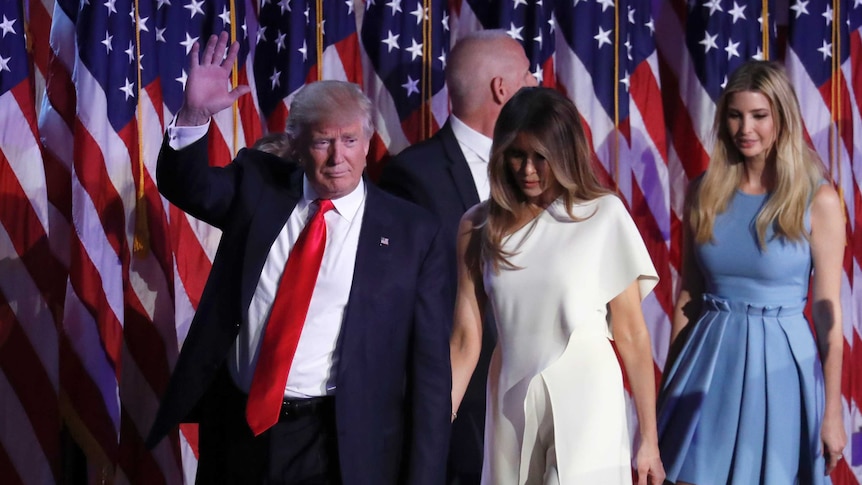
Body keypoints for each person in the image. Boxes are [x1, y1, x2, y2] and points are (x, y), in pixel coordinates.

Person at [146, 32, 452, 484]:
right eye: (322, 142)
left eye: (349, 141)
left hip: (335, 439)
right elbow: (186, 186)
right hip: (238, 426)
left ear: (367, 143)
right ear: (296, 145)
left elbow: (429, 374)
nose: (337, 158)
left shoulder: (412, 232)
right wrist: (193, 115)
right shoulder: (259, 185)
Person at [449, 87, 666, 484]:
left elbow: (632, 333)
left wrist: (648, 439)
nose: (528, 170)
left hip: (587, 395)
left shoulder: (602, 215)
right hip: (509, 397)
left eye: (541, 157)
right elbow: (466, 337)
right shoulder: (478, 226)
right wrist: (438, 417)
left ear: (565, 154)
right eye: (517, 155)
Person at [656, 60, 846, 484]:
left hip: (780, 368)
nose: (746, 128)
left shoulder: (819, 200)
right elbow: (688, 295)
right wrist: (669, 385)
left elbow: (827, 311)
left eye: (759, 116)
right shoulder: (703, 191)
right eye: (736, 114)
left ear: (782, 118)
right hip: (707, 362)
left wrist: (832, 410)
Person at [377, 29, 537, 484]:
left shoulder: (545, 170)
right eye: (528, 75)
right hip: (465, 402)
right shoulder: (412, 176)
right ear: (501, 89)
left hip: (541, 386)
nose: (536, 84)